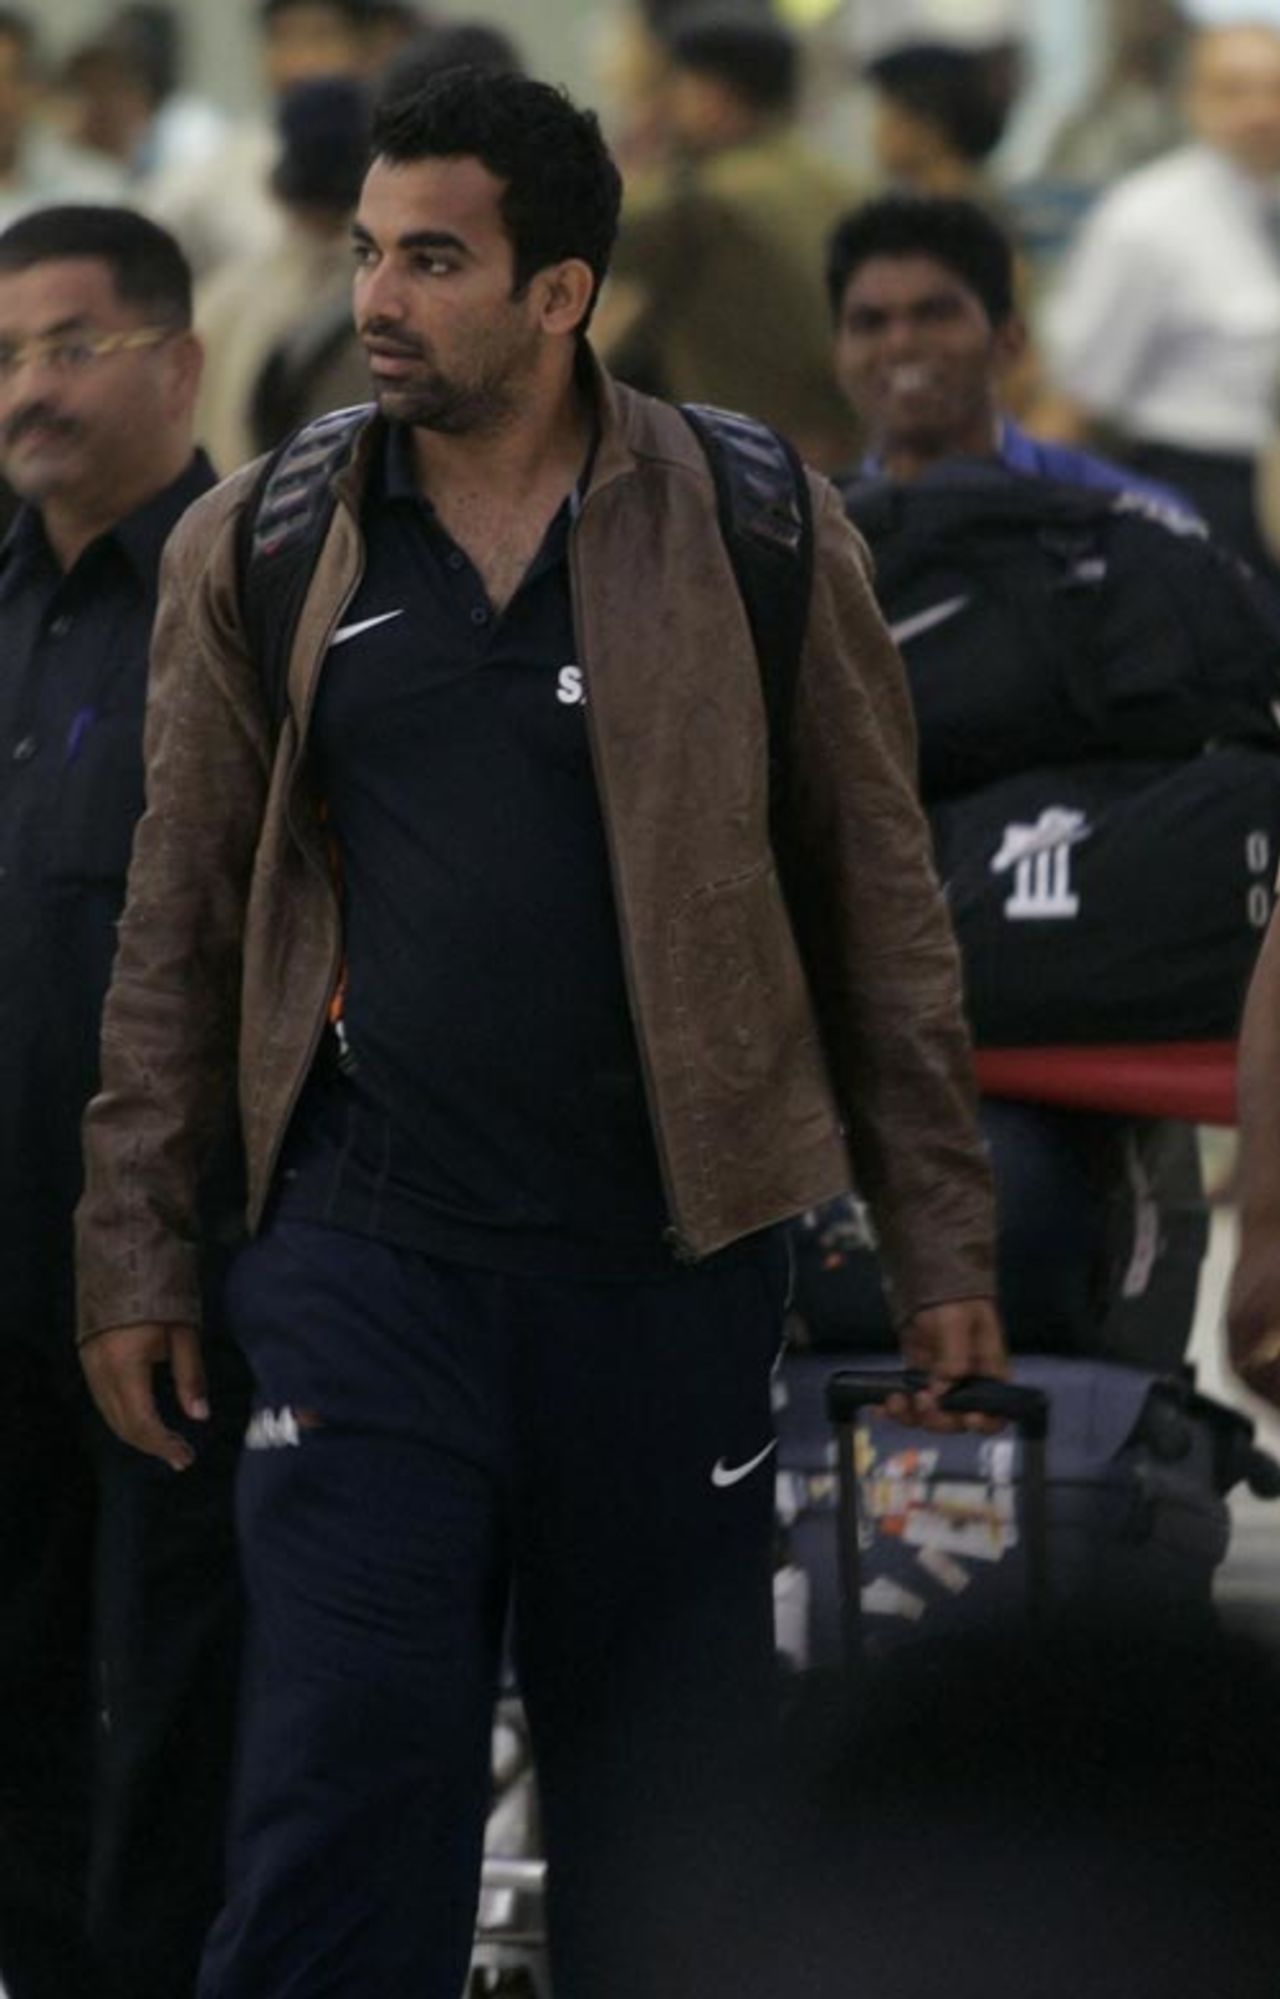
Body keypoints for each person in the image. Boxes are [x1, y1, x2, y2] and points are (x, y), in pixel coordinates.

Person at [76, 68, 1003, 1999]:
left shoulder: (754, 521)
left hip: (671, 1262)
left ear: (560, 292)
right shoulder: (267, 540)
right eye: (367, 251)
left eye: (434, 259)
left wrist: (941, 1243)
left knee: (672, 1837)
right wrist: (137, 1240)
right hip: (366, 1257)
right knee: (339, 1799)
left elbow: (879, 900)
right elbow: (179, 921)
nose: (376, 297)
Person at [0, 205, 245, 1999]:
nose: (30, 389)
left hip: (186, 1263)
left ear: (179, 362)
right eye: (6, 355)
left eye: (70, 347)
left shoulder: (257, 593)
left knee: (177, 1689)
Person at [1041, 20, 1280, 575]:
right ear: (1192, 101)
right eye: (1234, 91)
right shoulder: (1144, 220)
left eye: (1275, 89)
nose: (1261, 111)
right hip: (1197, 490)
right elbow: (1076, 399)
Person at [597, 11, 863, 469]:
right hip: (846, 448)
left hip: (750, 461)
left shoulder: (705, 198)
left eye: (678, 88)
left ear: (714, 96)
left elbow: (583, 229)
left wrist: (642, 146)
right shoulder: (841, 184)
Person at [828, 190, 1190, 507]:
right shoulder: (814, 536)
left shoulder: (1129, 517)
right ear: (838, 352)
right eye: (870, 322)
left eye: (935, 315)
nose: (900, 344)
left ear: (1009, 341)